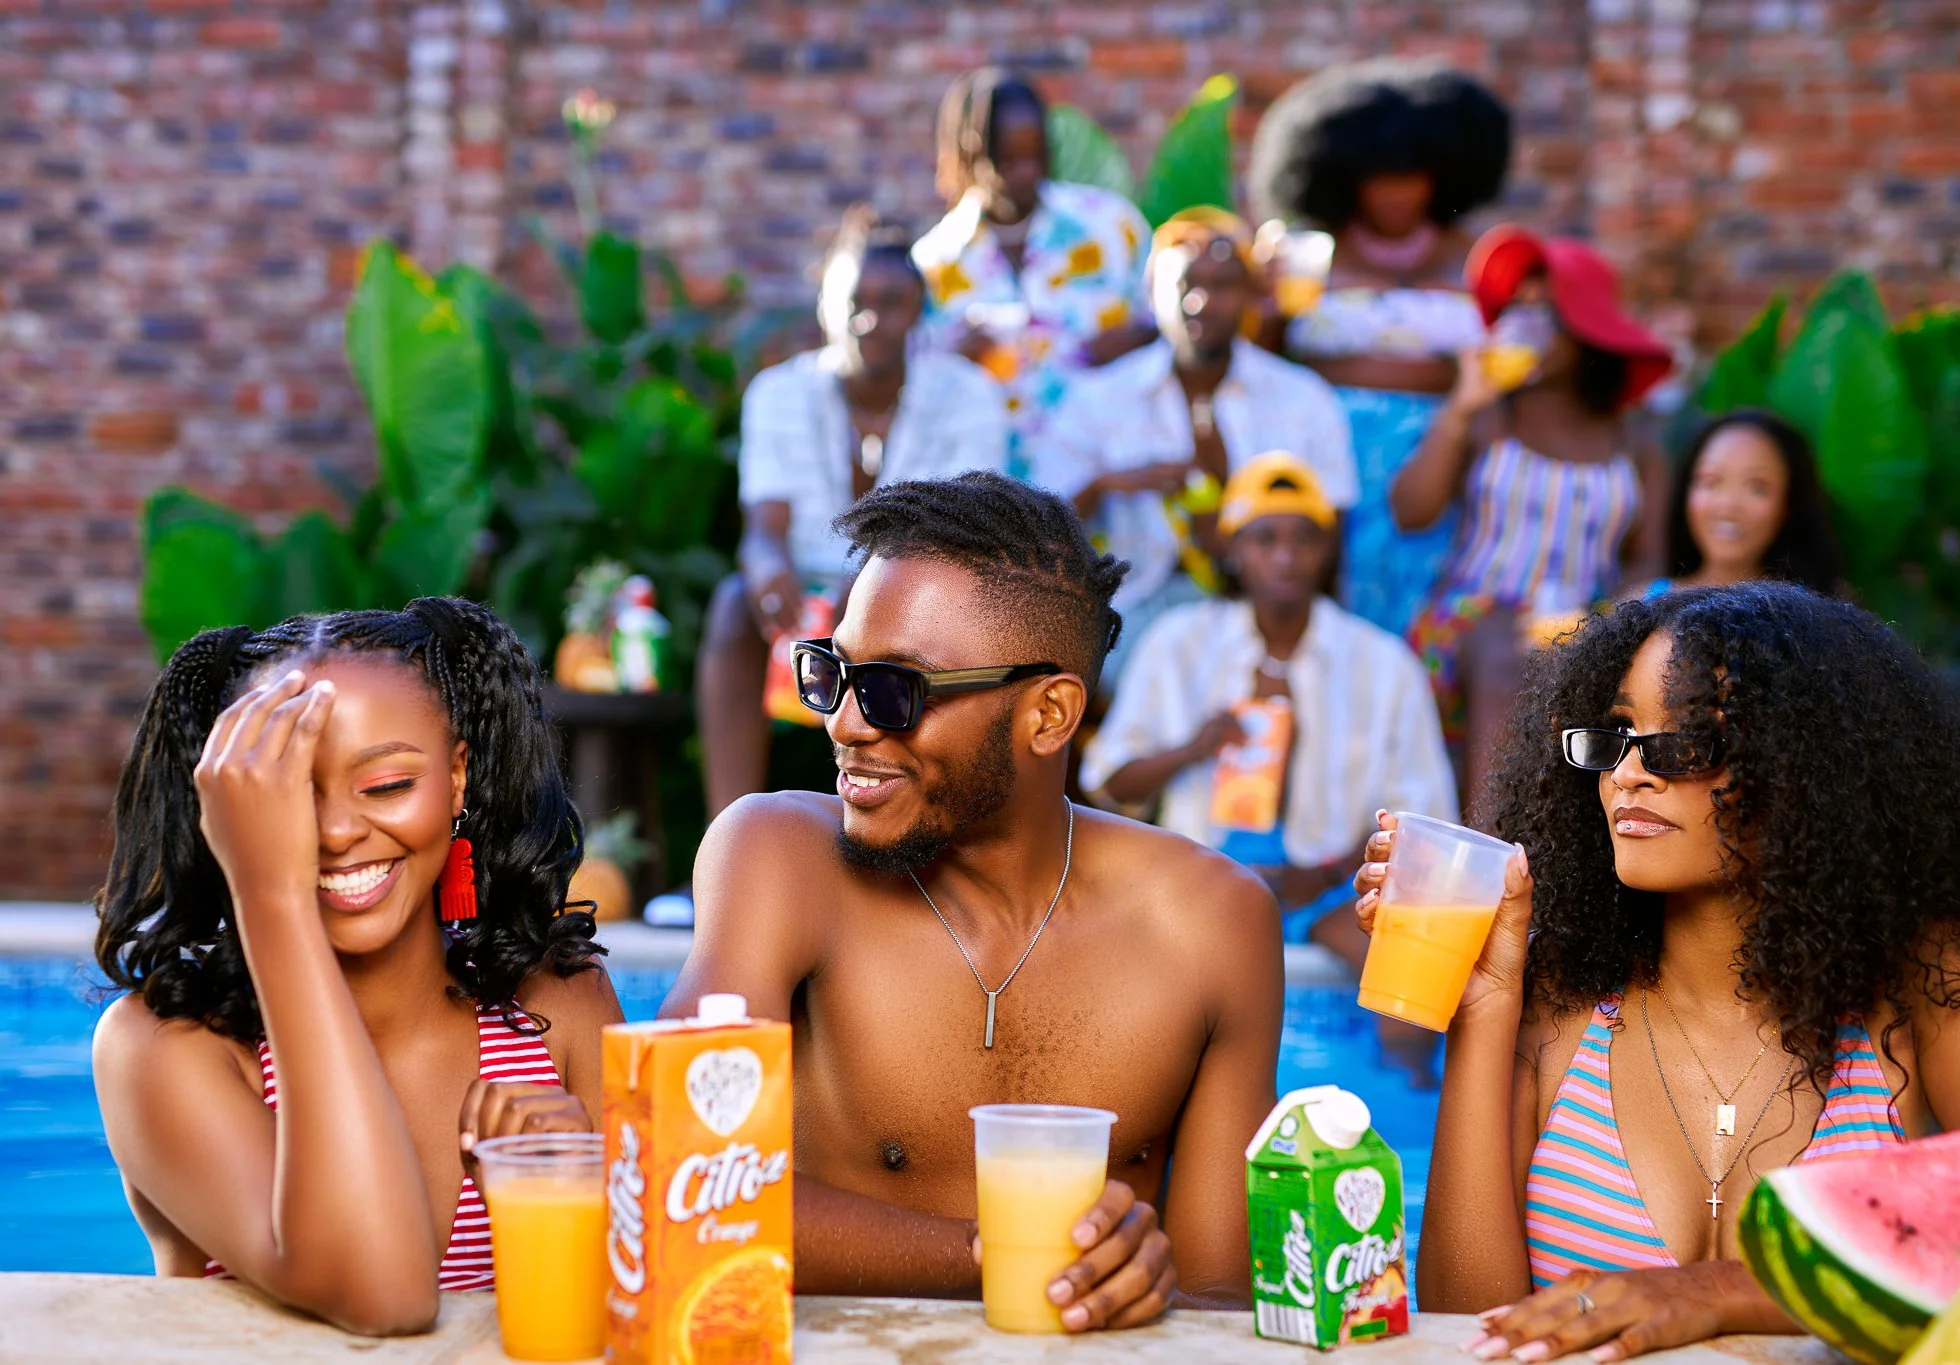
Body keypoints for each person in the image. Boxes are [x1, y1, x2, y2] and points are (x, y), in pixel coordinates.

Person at [1351, 583, 1960, 1360]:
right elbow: (1467, 1324)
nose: (1630, 774)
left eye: (1686, 742)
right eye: (1618, 735)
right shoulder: (1554, 995)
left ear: (1805, 769)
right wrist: (1486, 1003)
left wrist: (1715, 1293)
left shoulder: (1928, 981)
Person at [663, 472, 1283, 1327]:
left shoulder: (1212, 923)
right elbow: (677, 1171)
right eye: (833, 671)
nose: (845, 722)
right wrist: (998, 1253)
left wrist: (1145, 1275)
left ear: (1049, 714)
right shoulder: (777, 859)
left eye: (894, 690)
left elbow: (1216, 1306)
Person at [92, 599, 622, 1333]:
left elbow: (659, 1294)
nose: (339, 831)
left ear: (458, 776)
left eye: (386, 786)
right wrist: (268, 890)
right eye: (289, 798)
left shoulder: (559, 1009)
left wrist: (575, 1183)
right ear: (228, 813)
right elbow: (383, 1293)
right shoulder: (165, 1048)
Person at [698, 209, 1009, 818]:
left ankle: (931, 843)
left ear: (919, 310)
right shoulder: (779, 393)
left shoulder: (968, 395)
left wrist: (872, 594)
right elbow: (764, 529)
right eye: (852, 300)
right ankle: (726, 841)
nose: (869, 318)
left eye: (891, 301)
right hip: (807, 597)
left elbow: (963, 536)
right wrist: (767, 573)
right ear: (824, 305)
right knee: (735, 603)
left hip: (924, 597)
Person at [1081, 453, 1453, 960]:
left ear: (1327, 551)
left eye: (1304, 538)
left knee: (1410, 962)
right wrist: (1191, 750)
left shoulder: (1384, 664)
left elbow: (1422, 820)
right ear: (1233, 549)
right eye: (1264, 539)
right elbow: (1106, 784)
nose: (1285, 558)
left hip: (1335, 897)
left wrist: (1324, 874)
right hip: (1197, 889)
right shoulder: (1179, 644)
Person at [1394, 225, 1674, 788]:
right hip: (1468, 621)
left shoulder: (1635, 444)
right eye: (1517, 309)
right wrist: (1459, 408)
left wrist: (1605, 617)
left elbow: (1648, 559)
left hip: (1584, 620)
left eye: (1545, 311)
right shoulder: (1489, 420)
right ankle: (1490, 843)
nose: (1527, 326)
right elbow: (1411, 512)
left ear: (1585, 326)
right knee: (1506, 652)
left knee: (1562, 659)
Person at [1036, 209, 1356, 688]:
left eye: (1224, 284)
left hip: (1273, 612)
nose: (1201, 301)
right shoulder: (1100, 399)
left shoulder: (1301, 398)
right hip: (1133, 614)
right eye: (1185, 283)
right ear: (1151, 292)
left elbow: (1333, 527)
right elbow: (1042, 533)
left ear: (1250, 295)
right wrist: (1110, 484)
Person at [1247, 60, 1511, 636]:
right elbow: (1267, 359)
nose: (1396, 192)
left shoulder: (1475, 259)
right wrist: (1263, 306)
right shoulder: (1307, 257)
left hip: (1439, 455)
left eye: (1412, 174)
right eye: (1378, 175)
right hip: (1321, 447)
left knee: (1424, 606)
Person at [912, 68, 1157, 473]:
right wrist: (957, 357)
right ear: (970, 155)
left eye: (1035, 155)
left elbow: (1169, 323)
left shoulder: (1111, 227)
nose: (1025, 172)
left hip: (1106, 475)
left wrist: (1133, 338)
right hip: (992, 491)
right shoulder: (936, 262)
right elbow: (913, 389)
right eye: (1007, 160)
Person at [1640, 409, 1843, 598]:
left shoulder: (1817, 613)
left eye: (1757, 487)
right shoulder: (1643, 603)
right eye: (1711, 482)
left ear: (1788, 503)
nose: (1729, 505)